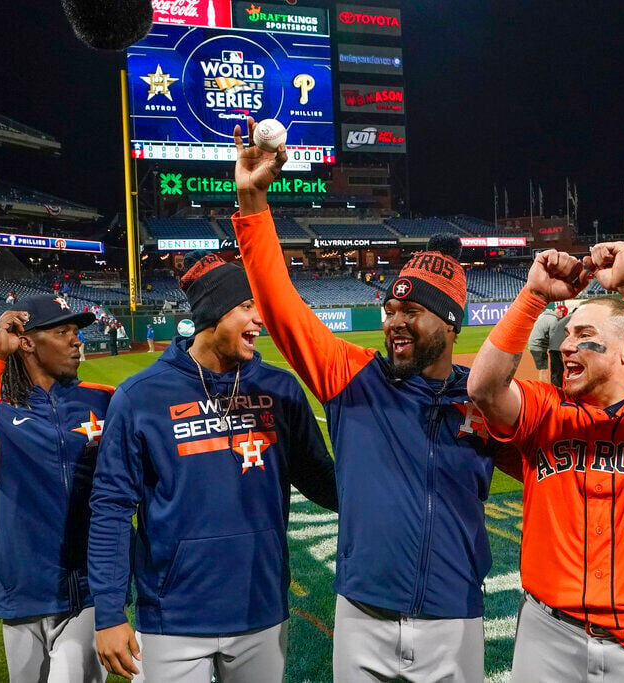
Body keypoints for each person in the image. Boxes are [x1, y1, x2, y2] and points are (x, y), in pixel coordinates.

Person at [231, 119, 498, 682]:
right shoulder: (353, 376)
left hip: (454, 619)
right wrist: (253, 202)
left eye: (411, 313)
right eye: (391, 311)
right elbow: (281, 306)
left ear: (450, 325)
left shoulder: (485, 396)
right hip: (362, 615)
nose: (395, 323)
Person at [466, 242, 624, 681]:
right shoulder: (544, 409)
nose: (566, 347)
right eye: (566, 334)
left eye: (583, 335)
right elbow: (484, 389)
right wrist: (533, 296)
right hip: (548, 635)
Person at [88, 253, 338, 682]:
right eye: (246, 307)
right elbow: (111, 508)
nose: (258, 319)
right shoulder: (140, 396)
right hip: (172, 617)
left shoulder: (279, 389)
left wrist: (386, 496)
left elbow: (321, 477)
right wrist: (110, 612)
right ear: (212, 314)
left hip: (260, 607)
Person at [0, 296, 112, 683]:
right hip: (23, 588)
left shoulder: (103, 399)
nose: (76, 341)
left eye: (77, 332)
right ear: (27, 342)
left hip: (88, 589)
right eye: (62, 331)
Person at [526, 303, 566, 384]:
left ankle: (543, 387)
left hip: (533, 343)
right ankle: (544, 389)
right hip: (538, 345)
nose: (562, 318)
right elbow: (553, 339)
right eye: (563, 315)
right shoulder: (554, 320)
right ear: (560, 312)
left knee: (543, 368)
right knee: (543, 370)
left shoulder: (542, 315)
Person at [547, 304, 570, 387]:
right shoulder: (571, 319)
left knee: (556, 371)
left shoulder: (558, 321)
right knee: (568, 369)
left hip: (552, 347)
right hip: (560, 347)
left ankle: (555, 391)